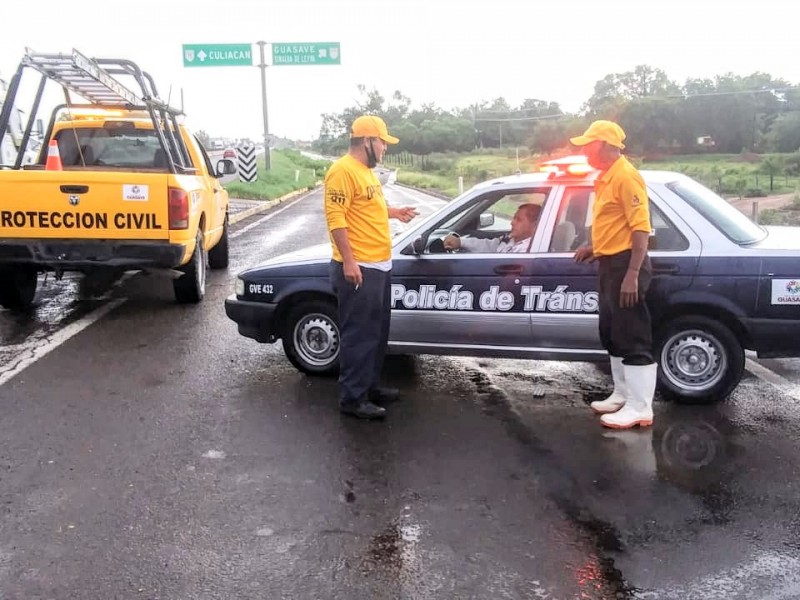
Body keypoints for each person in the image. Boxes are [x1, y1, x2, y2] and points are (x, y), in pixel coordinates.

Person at [324, 115, 419, 420]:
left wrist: (395, 212)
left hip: (379, 265)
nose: (385, 149)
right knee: (359, 335)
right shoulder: (342, 171)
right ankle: (353, 398)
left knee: (377, 334)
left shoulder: (366, 173)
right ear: (367, 141)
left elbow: (366, 208)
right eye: (382, 142)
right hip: (359, 267)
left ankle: (370, 387)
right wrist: (349, 261)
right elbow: (336, 219)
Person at [570, 120, 657, 430]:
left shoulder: (626, 176)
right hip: (609, 262)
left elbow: (640, 228)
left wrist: (633, 273)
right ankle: (622, 394)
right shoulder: (605, 178)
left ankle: (640, 407)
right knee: (612, 332)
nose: (584, 150)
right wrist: (595, 246)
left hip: (625, 265)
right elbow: (613, 224)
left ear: (606, 145)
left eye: (589, 145)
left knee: (633, 335)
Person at [442, 203, 541, 253]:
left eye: (518, 220)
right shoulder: (510, 239)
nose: (511, 223)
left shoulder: (531, 249)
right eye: (513, 218)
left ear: (534, 225)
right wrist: (460, 242)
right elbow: (489, 246)